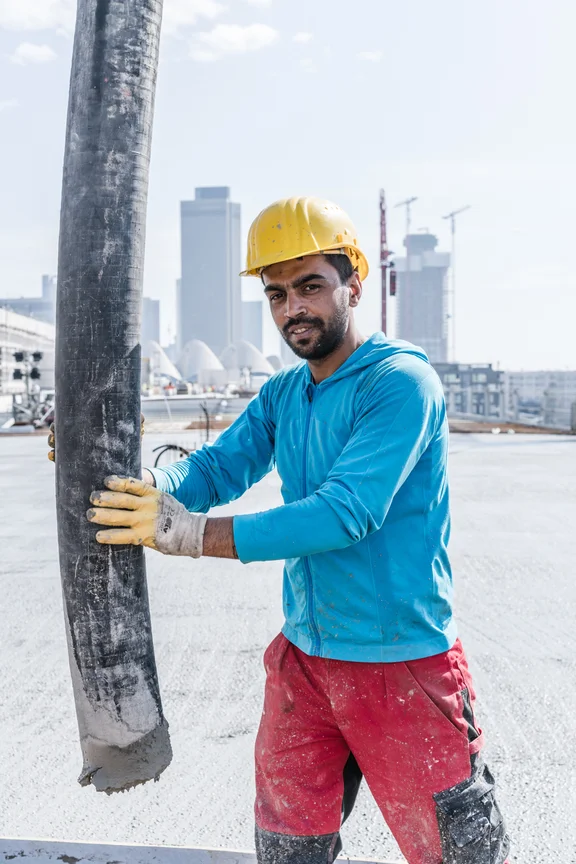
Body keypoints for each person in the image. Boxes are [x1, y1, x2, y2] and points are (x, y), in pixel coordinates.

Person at [54, 197, 510, 864]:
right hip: (306, 665)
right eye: (276, 294)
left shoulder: (400, 383)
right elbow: (219, 465)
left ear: (353, 284)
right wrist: (151, 493)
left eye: (310, 286)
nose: (292, 308)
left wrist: (190, 535)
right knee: (288, 850)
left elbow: (343, 513)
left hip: (402, 666)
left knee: (458, 854)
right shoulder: (285, 394)